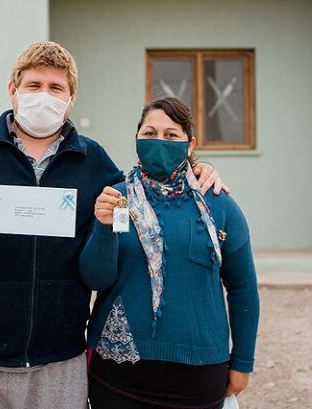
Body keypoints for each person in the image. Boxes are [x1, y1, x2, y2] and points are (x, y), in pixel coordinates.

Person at [0, 42, 230, 409]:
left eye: (56, 88)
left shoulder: (93, 160)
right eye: (33, 85)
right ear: (13, 90)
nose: (44, 96)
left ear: (71, 99)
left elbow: (140, 193)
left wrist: (194, 170)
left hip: (58, 360)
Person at [80, 97, 260, 409]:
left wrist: (243, 361)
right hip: (118, 372)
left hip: (199, 375)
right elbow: (95, 278)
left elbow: (243, 286)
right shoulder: (115, 199)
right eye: (149, 133)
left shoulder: (218, 203)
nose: (159, 142)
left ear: (189, 145)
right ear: (137, 138)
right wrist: (103, 227)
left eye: (171, 135)